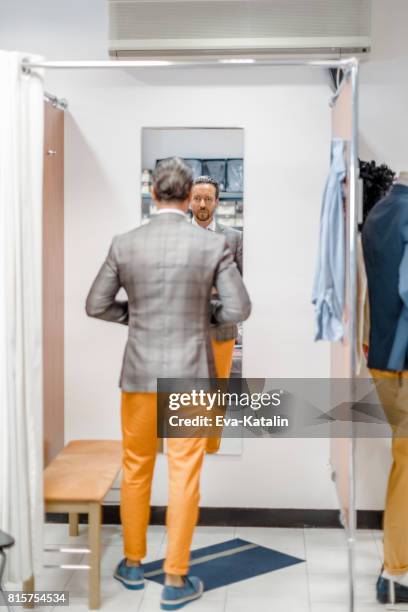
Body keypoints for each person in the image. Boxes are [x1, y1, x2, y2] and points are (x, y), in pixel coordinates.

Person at [85, 157, 251, 610]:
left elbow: (96, 305)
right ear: (186, 198)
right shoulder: (211, 245)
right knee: (184, 475)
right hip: (191, 374)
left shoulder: (124, 243)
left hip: (138, 373)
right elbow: (237, 309)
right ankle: (176, 579)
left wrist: (135, 318)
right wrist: (202, 320)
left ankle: (134, 564)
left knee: (137, 468)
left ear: (154, 194)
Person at [362, 174, 408, 605]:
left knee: (403, 459)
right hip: (404, 355)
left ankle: (394, 566)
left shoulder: (377, 213)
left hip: (382, 355)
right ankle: (396, 571)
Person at [190, 176, 243, 453]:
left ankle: (211, 447)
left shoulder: (234, 238)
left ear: (217, 202)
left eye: (208, 199)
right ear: (189, 200)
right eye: (197, 198)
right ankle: (187, 446)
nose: (202, 204)